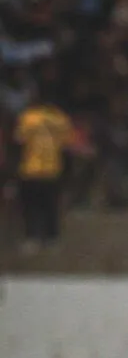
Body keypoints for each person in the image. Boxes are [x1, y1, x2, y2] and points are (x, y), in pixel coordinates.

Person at [14, 88, 73, 252]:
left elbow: (19, 142)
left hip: (30, 168)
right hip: (52, 168)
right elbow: (66, 146)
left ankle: (32, 237)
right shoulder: (61, 118)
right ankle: (52, 238)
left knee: (31, 206)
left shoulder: (28, 117)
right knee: (51, 206)